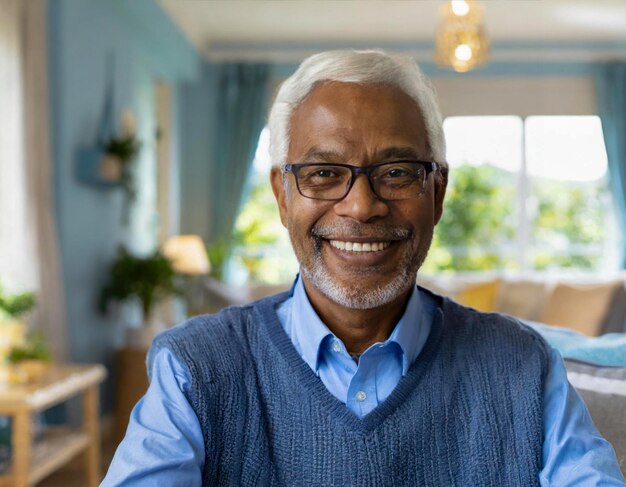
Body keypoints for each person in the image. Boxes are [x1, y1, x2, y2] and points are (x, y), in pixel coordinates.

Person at [102, 50, 625, 486]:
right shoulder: (195, 369)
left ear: (437, 193)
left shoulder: (524, 367)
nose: (361, 206)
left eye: (396, 172)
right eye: (324, 173)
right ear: (282, 197)